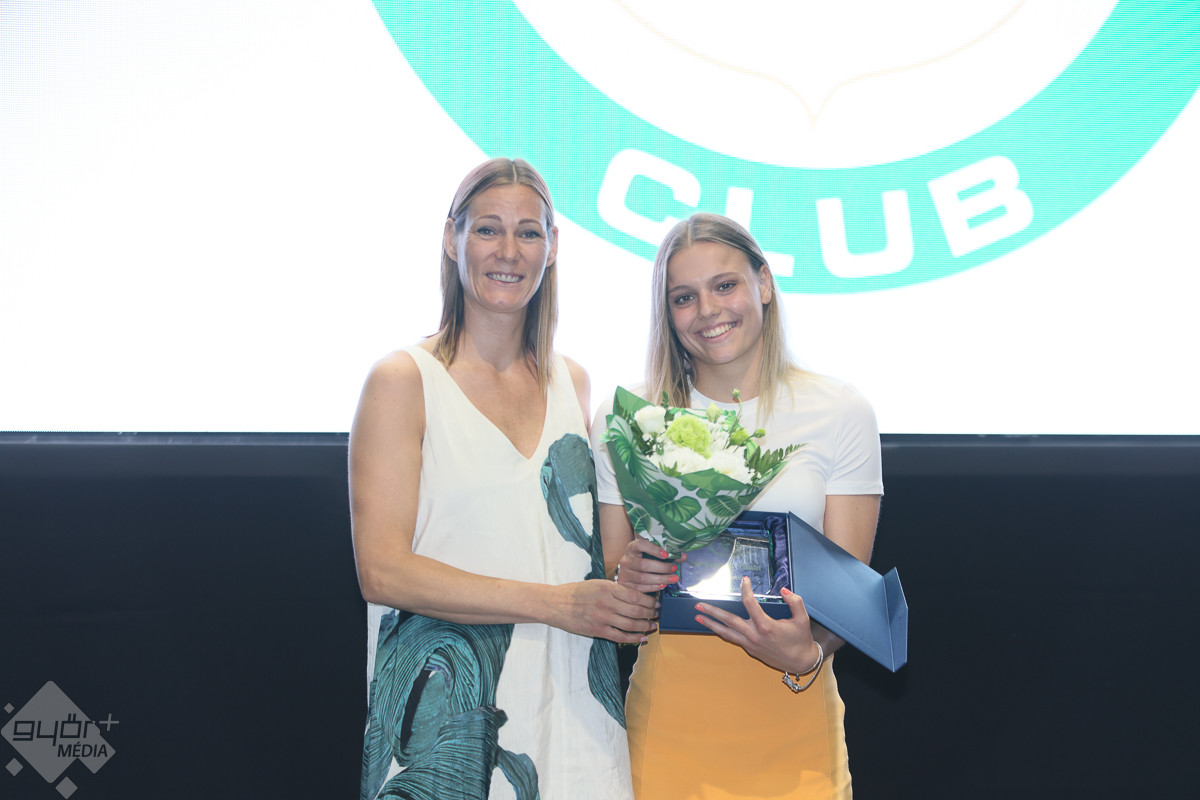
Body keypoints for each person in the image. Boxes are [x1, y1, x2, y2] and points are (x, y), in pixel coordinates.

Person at [350, 157, 657, 800]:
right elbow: (382, 572)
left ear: (552, 247)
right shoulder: (403, 381)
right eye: (488, 229)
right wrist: (556, 604)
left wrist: (649, 563)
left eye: (529, 232)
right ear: (451, 238)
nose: (509, 252)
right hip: (450, 733)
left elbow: (594, 558)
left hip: (574, 715)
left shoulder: (575, 384)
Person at [592, 213, 883, 800]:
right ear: (667, 313)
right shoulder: (628, 418)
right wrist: (630, 576)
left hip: (793, 719)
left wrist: (809, 650)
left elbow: (847, 592)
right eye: (684, 297)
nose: (708, 310)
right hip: (669, 723)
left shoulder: (838, 409)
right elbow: (615, 583)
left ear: (764, 283)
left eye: (724, 285)